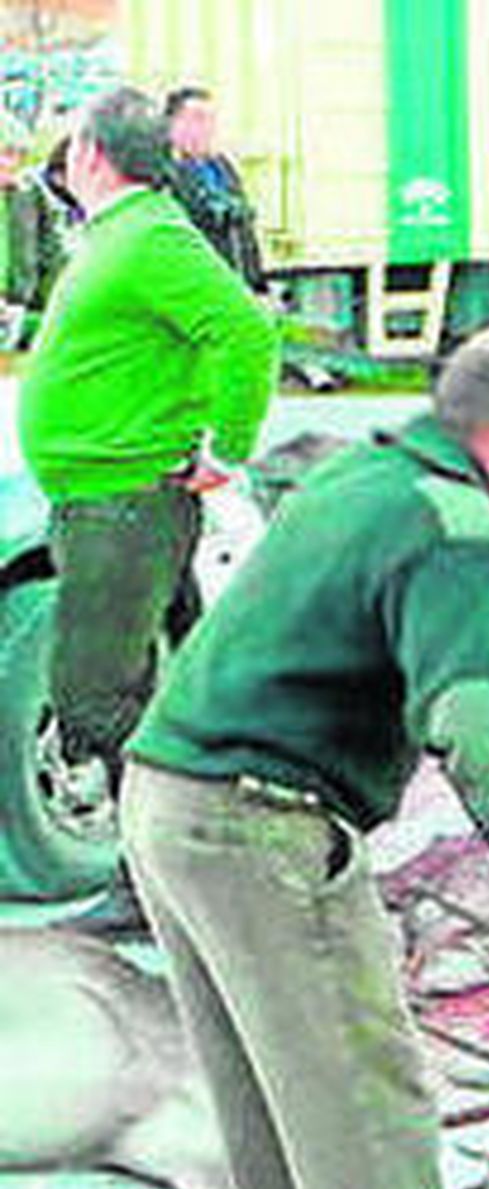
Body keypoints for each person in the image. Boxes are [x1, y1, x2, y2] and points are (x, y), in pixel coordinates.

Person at [121, 324, 489, 1189]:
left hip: (167, 800)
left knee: (268, 1092)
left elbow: (352, 616)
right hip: (259, 825)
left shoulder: (367, 474)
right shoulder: (457, 528)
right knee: (363, 1090)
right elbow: (478, 734)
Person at [17, 86, 277, 822]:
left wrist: (228, 449)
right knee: (160, 689)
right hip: (109, 498)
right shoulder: (122, 233)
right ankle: (174, 862)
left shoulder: (152, 237)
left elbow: (248, 334)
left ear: (90, 154)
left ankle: (178, 842)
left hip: (126, 502)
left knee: (93, 698)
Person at [164, 84, 266, 290]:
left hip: (235, 283)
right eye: (198, 118)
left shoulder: (221, 166)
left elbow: (244, 228)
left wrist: (257, 283)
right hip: (196, 285)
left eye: (211, 119)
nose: (207, 127)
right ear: (174, 123)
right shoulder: (164, 173)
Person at [0, 119, 67, 348]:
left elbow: (54, 254)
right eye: (6, 153)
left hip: (22, 312)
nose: (11, 163)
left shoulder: (29, 193)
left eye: (19, 155)